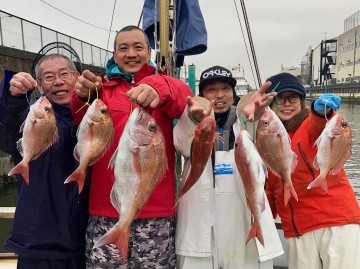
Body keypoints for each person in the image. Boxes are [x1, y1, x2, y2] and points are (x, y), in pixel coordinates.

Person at [71, 25, 193, 268]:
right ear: (114, 55)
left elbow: (184, 97)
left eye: (138, 47)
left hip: (156, 214)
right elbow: (81, 120)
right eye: (123, 48)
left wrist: (159, 88)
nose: (131, 53)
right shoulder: (101, 92)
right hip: (105, 211)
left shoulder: (167, 87)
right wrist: (83, 95)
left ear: (149, 52)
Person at [173, 65, 284, 269]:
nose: (220, 95)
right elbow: (182, 144)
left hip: (242, 222)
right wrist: (193, 120)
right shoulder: (192, 120)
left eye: (225, 88)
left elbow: (265, 142)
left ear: (234, 93)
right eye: (211, 90)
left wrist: (257, 116)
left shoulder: (246, 120)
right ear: (203, 95)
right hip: (201, 226)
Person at [0, 53, 90, 269]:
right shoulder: (31, 115)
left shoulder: (91, 117)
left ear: (77, 77)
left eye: (64, 74)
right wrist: (12, 96)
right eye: (48, 77)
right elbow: (7, 136)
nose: (58, 81)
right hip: (38, 241)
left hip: (85, 239)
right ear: (39, 85)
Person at [264, 72, 360, 269]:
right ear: (271, 104)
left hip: (336, 222)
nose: (287, 103)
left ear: (302, 101)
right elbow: (270, 187)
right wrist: (261, 220)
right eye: (280, 98)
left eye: (293, 97)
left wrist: (321, 111)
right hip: (297, 228)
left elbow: (320, 124)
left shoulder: (310, 125)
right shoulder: (266, 140)